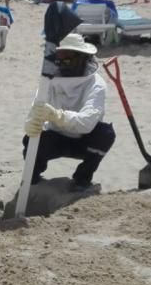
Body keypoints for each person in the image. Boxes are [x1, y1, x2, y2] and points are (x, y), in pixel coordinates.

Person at [23, 33, 115, 193]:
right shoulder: (49, 81)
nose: (62, 60)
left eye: (67, 55)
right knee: (30, 140)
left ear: (82, 57)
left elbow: (87, 122)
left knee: (105, 134)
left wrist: (57, 115)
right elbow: (36, 108)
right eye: (60, 55)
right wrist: (31, 122)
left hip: (84, 141)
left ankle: (82, 178)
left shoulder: (96, 84)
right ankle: (32, 177)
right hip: (56, 138)